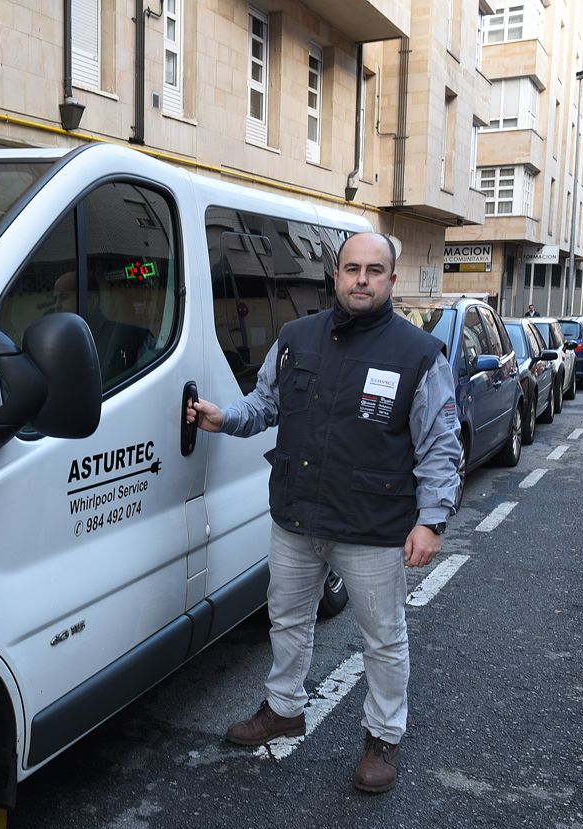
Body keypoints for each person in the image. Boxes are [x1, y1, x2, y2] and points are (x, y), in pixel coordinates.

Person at [184, 231, 460, 793]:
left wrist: (430, 521)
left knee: (382, 638)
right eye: (352, 268)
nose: (362, 279)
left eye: (374, 270)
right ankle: (284, 707)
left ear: (391, 280)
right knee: (286, 619)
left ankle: (383, 737)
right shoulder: (295, 338)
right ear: (335, 276)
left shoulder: (418, 354)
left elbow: (439, 444)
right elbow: (266, 403)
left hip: (372, 527)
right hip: (296, 518)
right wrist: (223, 417)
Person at [53, 269, 150, 376]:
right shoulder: (62, 339)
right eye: (55, 299)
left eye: (64, 297)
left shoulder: (125, 335)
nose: (57, 305)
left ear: (92, 302)